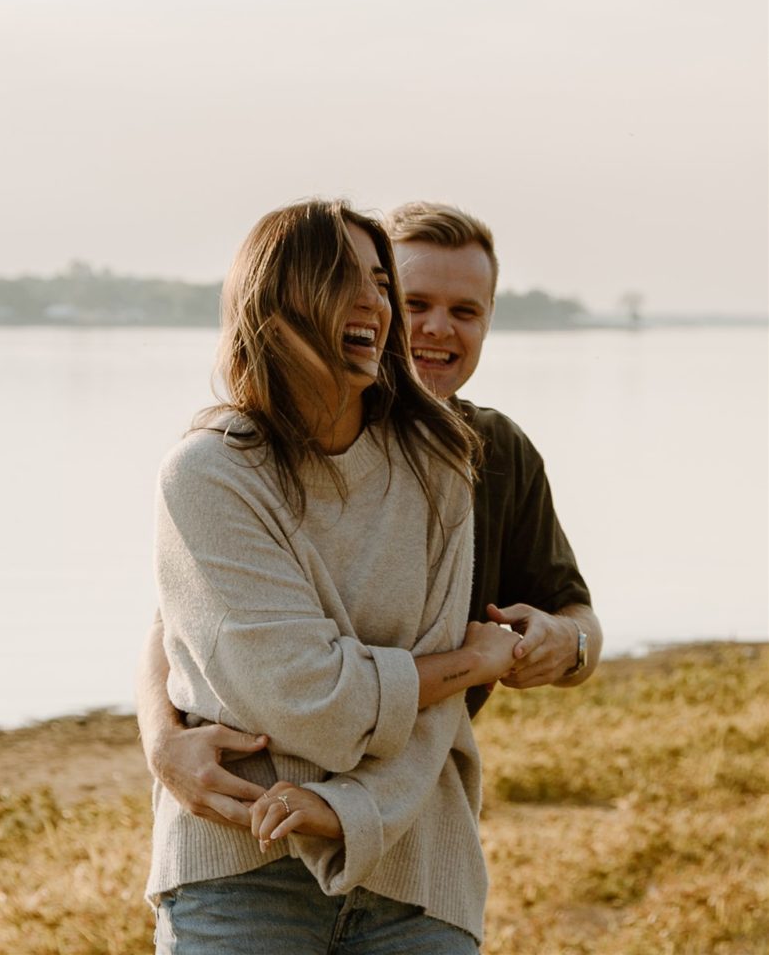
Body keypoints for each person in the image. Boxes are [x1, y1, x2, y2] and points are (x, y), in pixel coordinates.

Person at [138, 200, 600, 823]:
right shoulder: (266, 446)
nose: (437, 328)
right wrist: (162, 742)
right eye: (415, 303)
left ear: (488, 323)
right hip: (269, 792)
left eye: (465, 311)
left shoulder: (495, 452)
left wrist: (565, 644)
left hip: (411, 804)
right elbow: (176, 624)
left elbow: (578, 620)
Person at [148, 200, 521, 952]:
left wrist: (352, 811)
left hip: (418, 864)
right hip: (243, 864)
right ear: (274, 298)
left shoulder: (442, 466)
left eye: (381, 282)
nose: (372, 304)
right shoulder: (211, 474)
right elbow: (307, 695)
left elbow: (437, 716)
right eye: (341, 278)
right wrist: (465, 664)